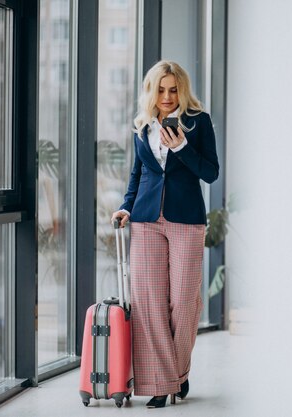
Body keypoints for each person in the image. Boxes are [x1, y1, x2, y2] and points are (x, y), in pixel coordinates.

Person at [111, 60, 219, 409]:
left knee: (184, 303)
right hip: (144, 220)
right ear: (151, 91)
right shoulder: (143, 125)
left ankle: (178, 373)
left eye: (174, 89)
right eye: (161, 89)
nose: (168, 96)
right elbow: (138, 172)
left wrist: (181, 147)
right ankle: (161, 383)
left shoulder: (198, 123)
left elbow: (211, 173)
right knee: (149, 304)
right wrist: (127, 206)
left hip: (186, 219)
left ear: (182, 89)